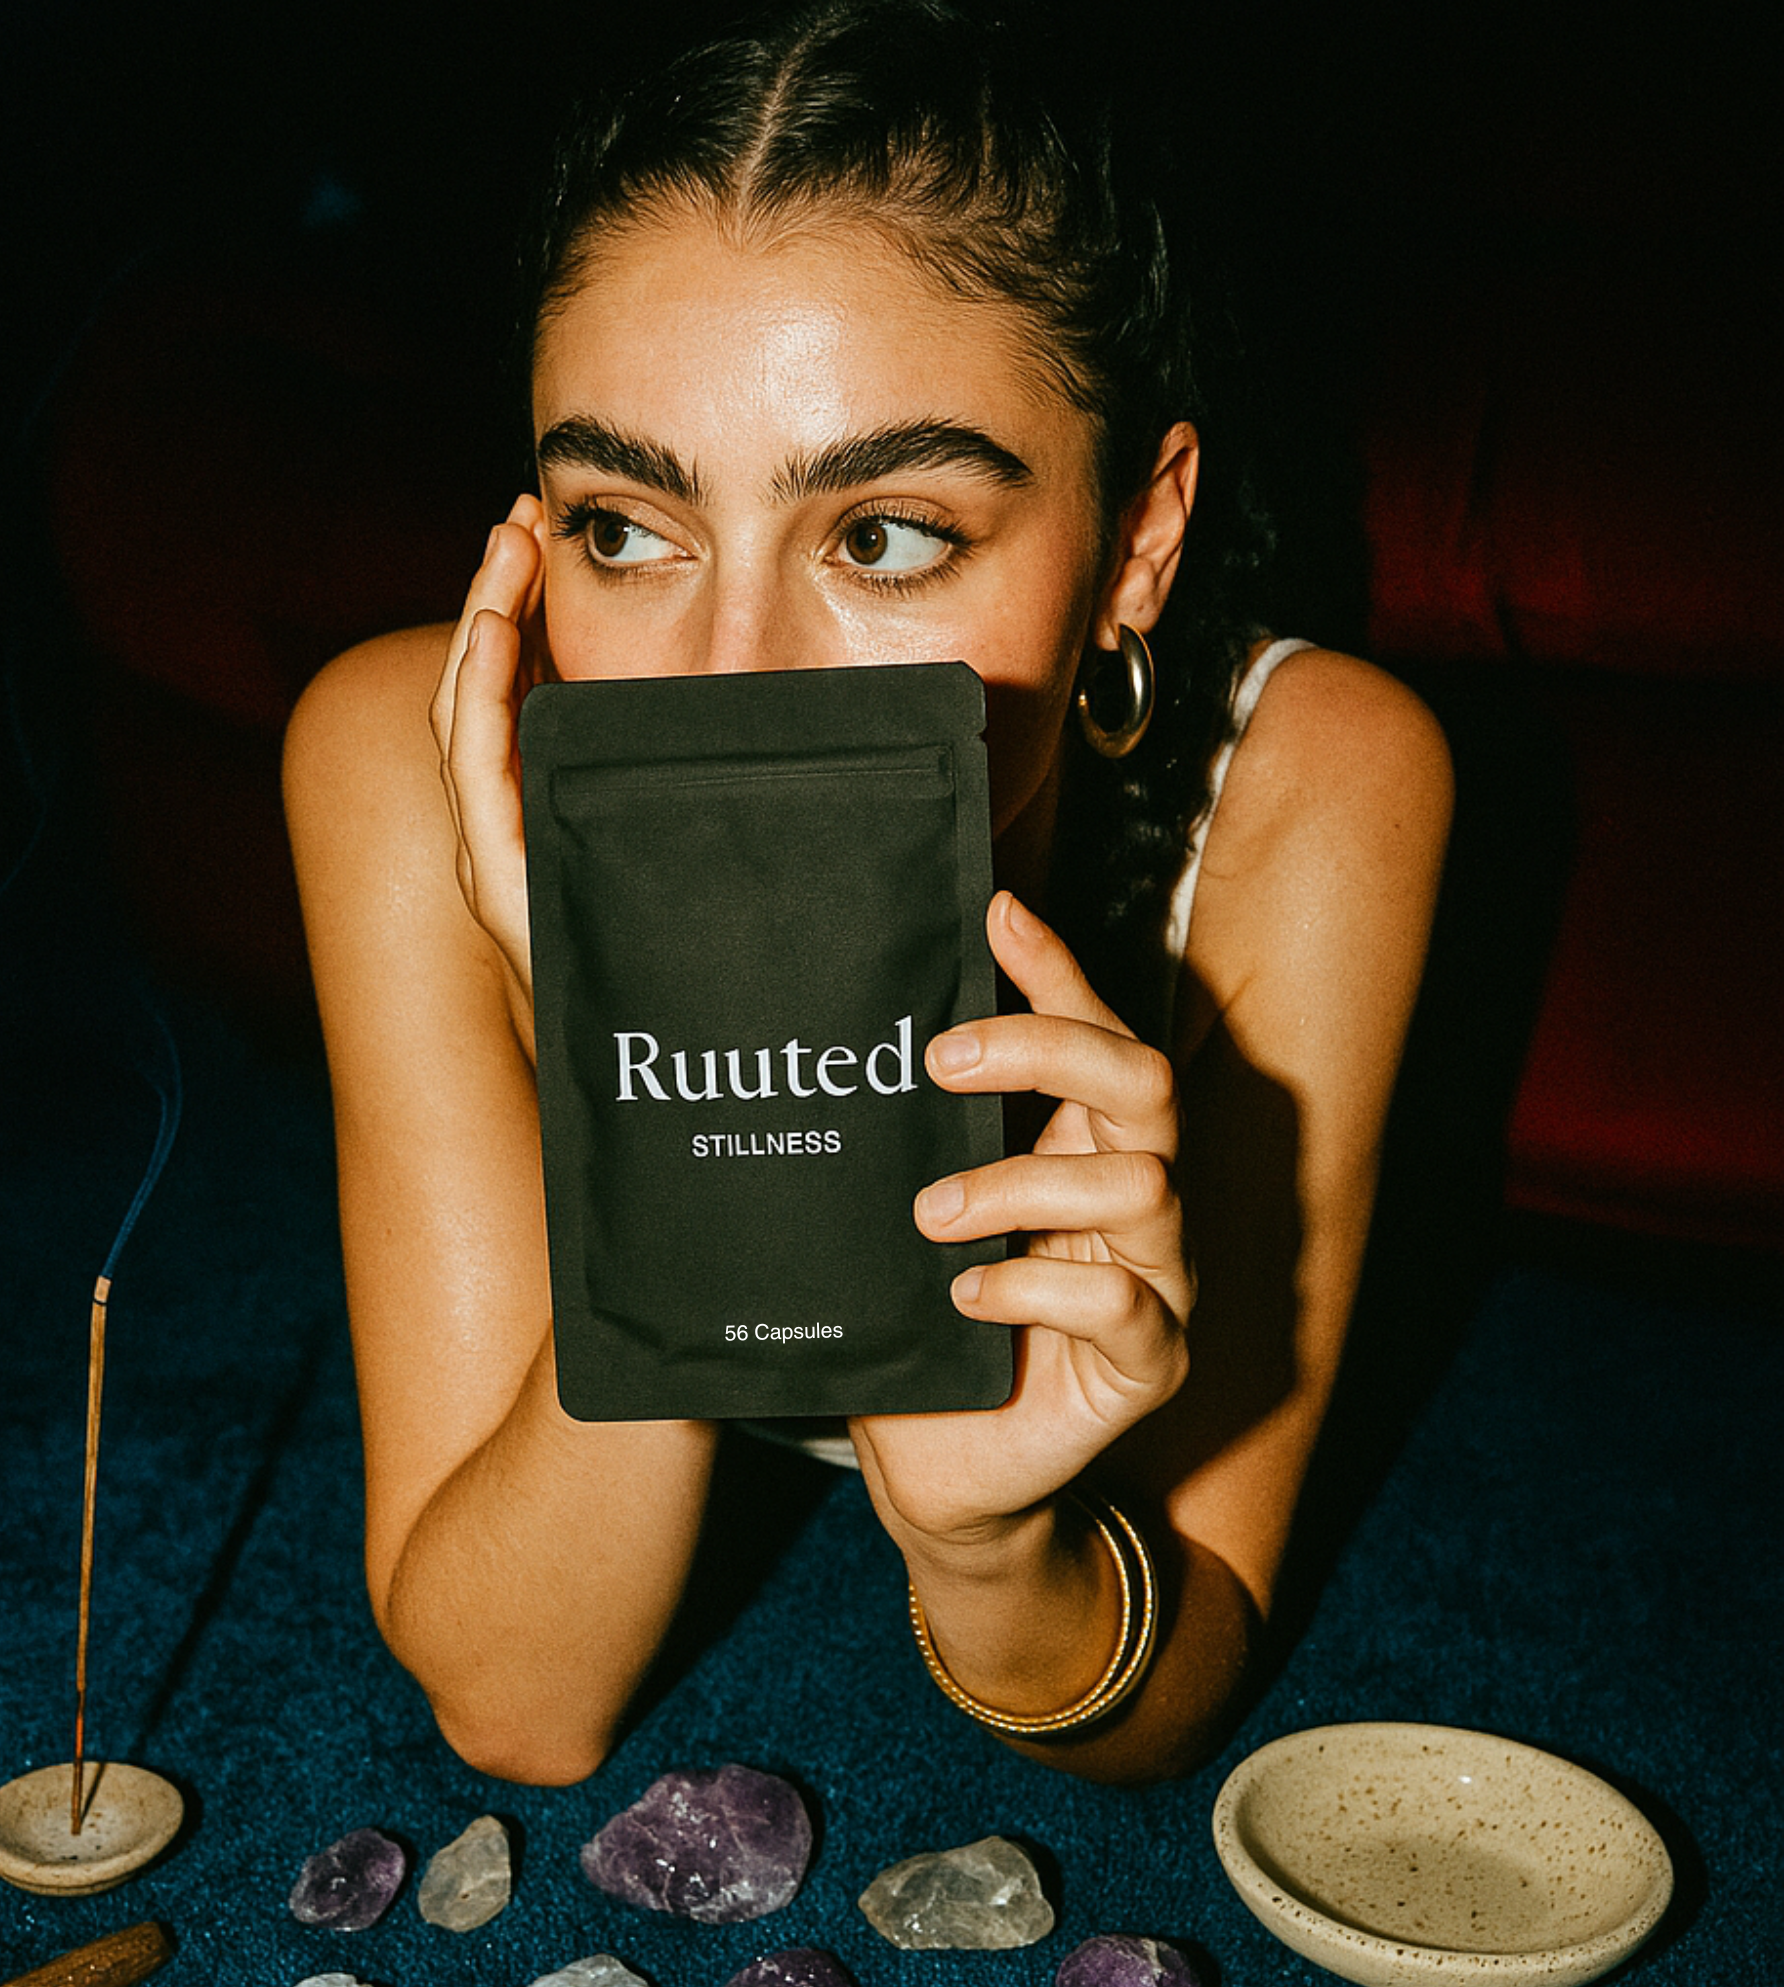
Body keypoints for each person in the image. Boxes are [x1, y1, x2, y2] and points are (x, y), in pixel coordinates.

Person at [282, 0, 1450, 1786]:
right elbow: (516, 1702)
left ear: (1138, 543)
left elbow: (1172, 1691)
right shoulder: (410, 761)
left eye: (886, 536)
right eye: (624, 529)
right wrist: (649, 1085)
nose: (734, 680)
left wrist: (993, 1554)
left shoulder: (1315, 789)